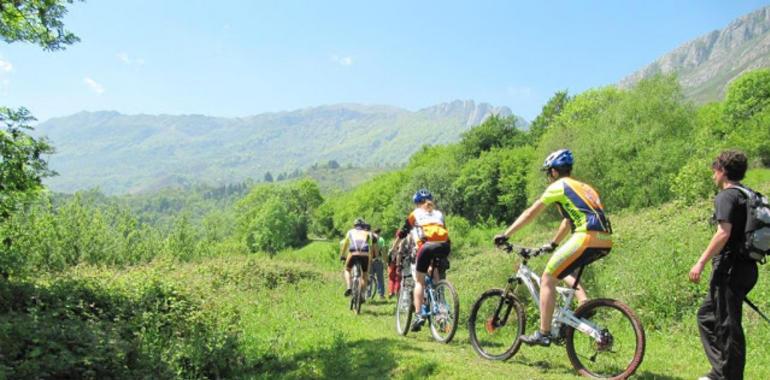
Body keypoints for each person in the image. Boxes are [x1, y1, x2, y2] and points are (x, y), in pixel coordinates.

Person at [494, 149, 612, 346]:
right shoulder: (584, 187)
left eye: (548, 172)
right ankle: (584, 304)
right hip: (605, 239)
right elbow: (567, 221)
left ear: (555, 172)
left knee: (548, 278)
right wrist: (554, 244)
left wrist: (506, 234)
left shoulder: (559, 186)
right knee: (563, 268)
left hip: (585, 236)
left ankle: (544, 332)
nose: (548, 177)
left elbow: (532, 212)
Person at [689, 150, 758, 380]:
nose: (712, 176)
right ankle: (721, 372)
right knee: (707, 316)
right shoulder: (748, 194)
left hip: (730, 268)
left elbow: (723, 233)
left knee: (728, 326)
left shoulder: (726, 196)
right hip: (748, 267)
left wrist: (700, 262)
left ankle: (728, 376)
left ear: (722, 171)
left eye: (714, 171)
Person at [395, 189, 451, 332]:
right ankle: (441, 312)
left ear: (417, 202)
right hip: (444, 247)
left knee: (419, 281)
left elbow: (402, 232)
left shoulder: (415, 214)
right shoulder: (439, 214)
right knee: (436, 276)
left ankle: (419, 314)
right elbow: (444, 231)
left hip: (425, 247)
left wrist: (394, 247)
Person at [340, 218, 376, 298]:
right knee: (365, 275)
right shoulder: (367, 232)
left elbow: (345, 244)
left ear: (354, 225)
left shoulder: (350, 232)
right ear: (363, 226)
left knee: (347, 270)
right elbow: (373, 243)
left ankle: (349, 287)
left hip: (353, 252)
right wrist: (373, 255)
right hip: (365, 253)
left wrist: (342, 255)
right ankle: (362, 294)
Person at [371, 228, 387, 300]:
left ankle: (368, 294)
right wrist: (385, 261)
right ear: (379, 232)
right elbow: (383, 251)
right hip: (378, 260)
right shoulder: (381, 239)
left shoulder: (369, 238)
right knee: (380, 278)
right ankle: (381, 294)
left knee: (369, 278)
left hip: (370, 260)